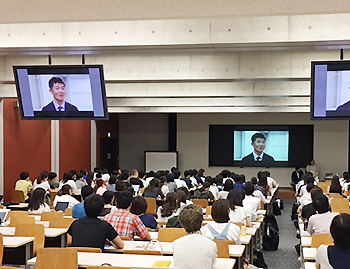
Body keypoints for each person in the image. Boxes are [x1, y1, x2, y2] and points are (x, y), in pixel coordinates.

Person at [172, 204, 217, 269]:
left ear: (181, 223)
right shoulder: (211, 244)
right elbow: (212, 264)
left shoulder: (175, 244)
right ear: (201, 221)